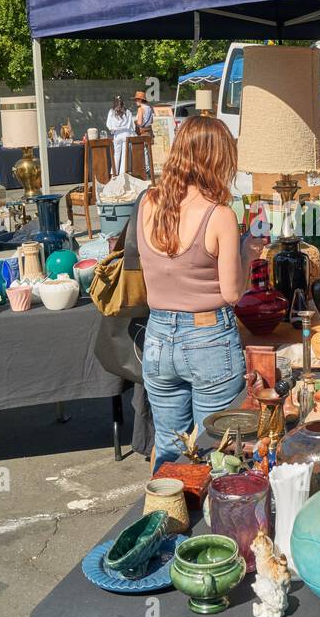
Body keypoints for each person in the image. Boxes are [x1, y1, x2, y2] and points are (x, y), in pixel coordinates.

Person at [137, 117, 248, 470]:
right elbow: (232, 292)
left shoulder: (148, 203)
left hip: (156, 336)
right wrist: (250, 253)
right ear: (217, 161)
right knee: (217, 450)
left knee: (169, 451)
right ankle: (212, 524)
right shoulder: (220, 216)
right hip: (208, 337)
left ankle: (165, 518)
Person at [106, 95, 133, 176]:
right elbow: (129, 125)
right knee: (125, 155)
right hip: (126, 135)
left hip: (117, 135)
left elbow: (108, 125)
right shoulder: (127, 112)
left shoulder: (112, 112)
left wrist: (113, 129)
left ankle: (114, 173)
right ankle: (122, 173)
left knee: (116, 155)